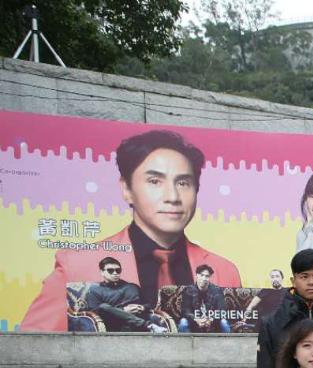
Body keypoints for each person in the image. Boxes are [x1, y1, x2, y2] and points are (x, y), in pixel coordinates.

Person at [23, 129, 241, 331]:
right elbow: (32, 346)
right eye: (154, 181)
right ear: (126, 189)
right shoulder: (75, 266)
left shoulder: (225, 271)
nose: (173, 197)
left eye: (183, 183)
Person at [83, 256, 166, 333]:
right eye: (110, 270)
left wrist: (142, 307)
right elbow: (95, 311)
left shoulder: (132, 287)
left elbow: (149, 304)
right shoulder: (95, 290)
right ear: (102, 272)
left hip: (138, 318)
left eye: (118, 270)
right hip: (115, 324)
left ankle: (148, 326)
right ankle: (148, 325)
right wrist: (123, 310)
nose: (115, 273)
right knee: (103, 307)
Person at [177, 264, 231, 333]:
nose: (204, 278)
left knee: (224, 322)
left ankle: (227, 340)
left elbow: (221, 309)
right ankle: (186, 340)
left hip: (213, 322)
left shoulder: (217, 290)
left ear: (210, 278)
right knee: (183, 322)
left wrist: (211, 320)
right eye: (201, 275)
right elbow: (185, 310)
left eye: (207, 276)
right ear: (196, 276)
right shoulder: (188, 290)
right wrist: (196, 319)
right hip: (194, 322)